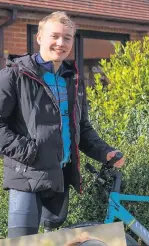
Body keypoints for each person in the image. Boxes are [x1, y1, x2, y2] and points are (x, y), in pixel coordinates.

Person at [0, 11, 124, 238]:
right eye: (54, 36)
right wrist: (29, 152)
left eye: (67, 38)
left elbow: (81, 128)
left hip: (59, 177)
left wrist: (105, 152)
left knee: (52, 241)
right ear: (39, 38)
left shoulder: (73, 80)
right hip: (26, 178)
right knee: (21, 243)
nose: (61, 43)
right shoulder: (14, 76)